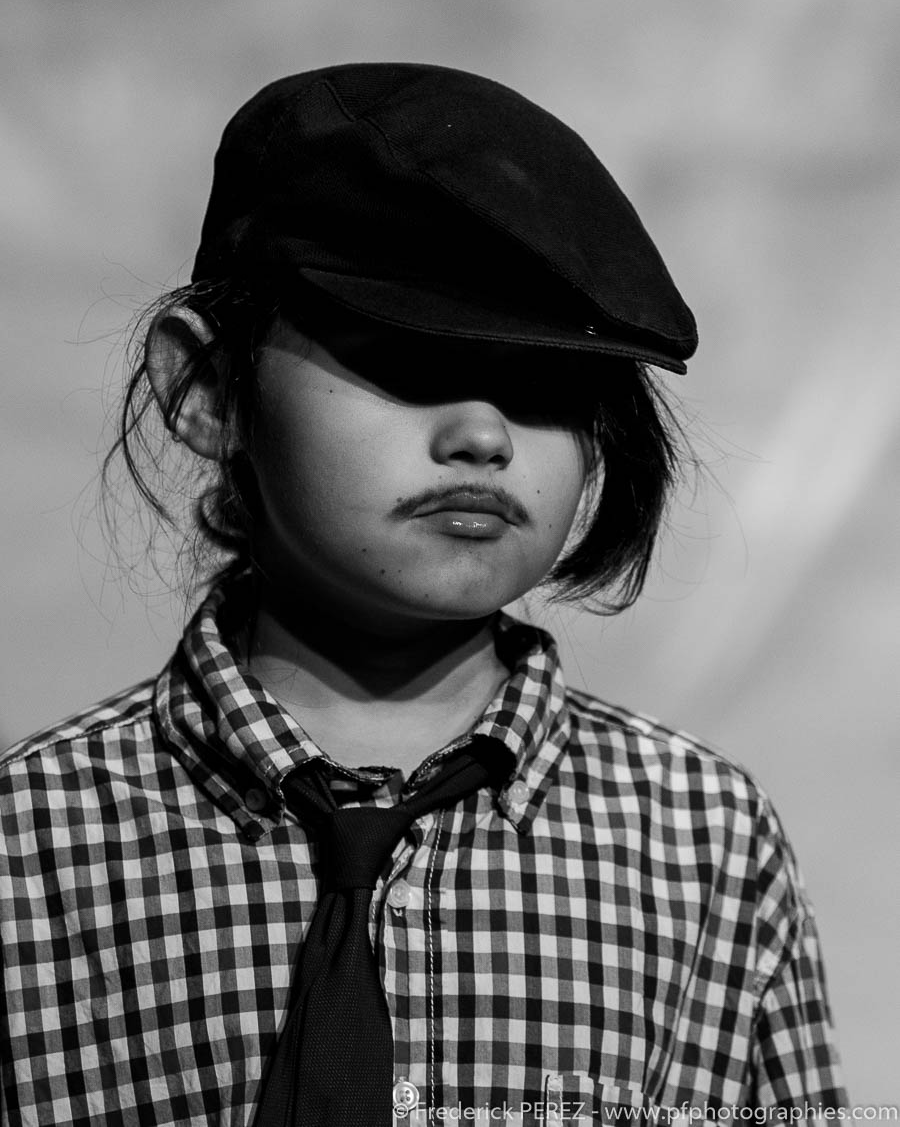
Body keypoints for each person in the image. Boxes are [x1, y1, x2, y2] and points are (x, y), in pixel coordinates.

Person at [0, 64, 845, 1126]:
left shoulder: (702, 843)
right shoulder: (28, 847)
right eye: (404, 360)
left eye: (546, 379)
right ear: (208, 392)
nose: (482, 434)